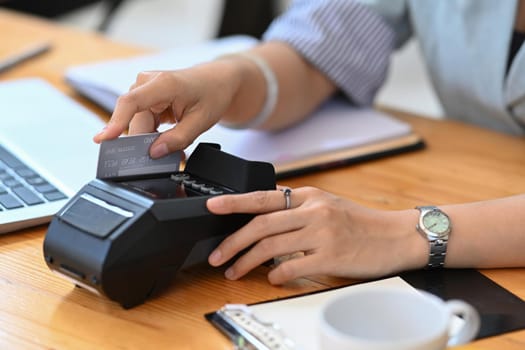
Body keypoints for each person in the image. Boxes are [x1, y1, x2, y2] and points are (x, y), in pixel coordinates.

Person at [93, 0, 525, 285]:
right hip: (475, 174)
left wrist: (402, 235)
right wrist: (227, 78)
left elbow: (396, 236)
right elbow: (325, 47)